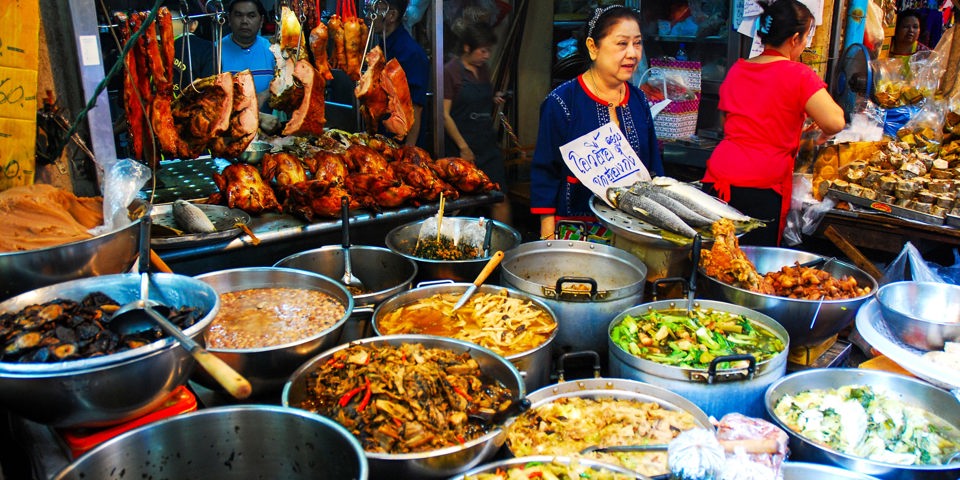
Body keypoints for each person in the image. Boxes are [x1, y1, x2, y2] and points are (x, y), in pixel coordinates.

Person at [700, 0, 845, 246]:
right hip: (760, 187)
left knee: (715, 258)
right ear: (795, 38)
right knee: (751, 267)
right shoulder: (799, 74)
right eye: (807, 37)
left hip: (718, 179)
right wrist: (812, 134)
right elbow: (835, 122)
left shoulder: (738, 69)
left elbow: (729, 123)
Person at [530, 6, 663, 241]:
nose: (633, 53)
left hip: (633, 231)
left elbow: (653, 165)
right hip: (576, 230)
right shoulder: (562, 102)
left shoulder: (639, 99)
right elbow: (545, 171)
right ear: (593, 47)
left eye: (638, 43)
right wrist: (547, 236)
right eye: (622, 44)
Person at [443, 22, 511, 225]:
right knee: (459, 203)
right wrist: (464, 148)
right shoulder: (450, 71)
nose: (487, 55)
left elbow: (476, 99)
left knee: (500, 198)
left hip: (487, 145)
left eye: (488, 51)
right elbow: (444, 115)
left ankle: (507, 253)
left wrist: (493, 97)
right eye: (483, 51)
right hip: (461, 146)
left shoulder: (483, 70)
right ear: (467, 47)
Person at [370, 0, 430, 146]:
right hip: (381, 137)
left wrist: (408, 152)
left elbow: (416, 107)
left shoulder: (411, 53)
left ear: (391, 15)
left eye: (376, 10)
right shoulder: (382, 45)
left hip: (401, 142)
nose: (370, 16)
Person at [219, 0, 275, 109]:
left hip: (270, 124)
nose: (244, 21)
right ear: (229, 19)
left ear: (261, 20)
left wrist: (265, 94)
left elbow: (285, 85)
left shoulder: (273, 51)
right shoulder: (214, 51)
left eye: (251, 16)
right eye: (238, 15)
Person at [168, 2, 213, 98]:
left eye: (171, 20)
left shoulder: (205, 49)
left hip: (187, 108)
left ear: (194, 25)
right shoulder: (208, 48)